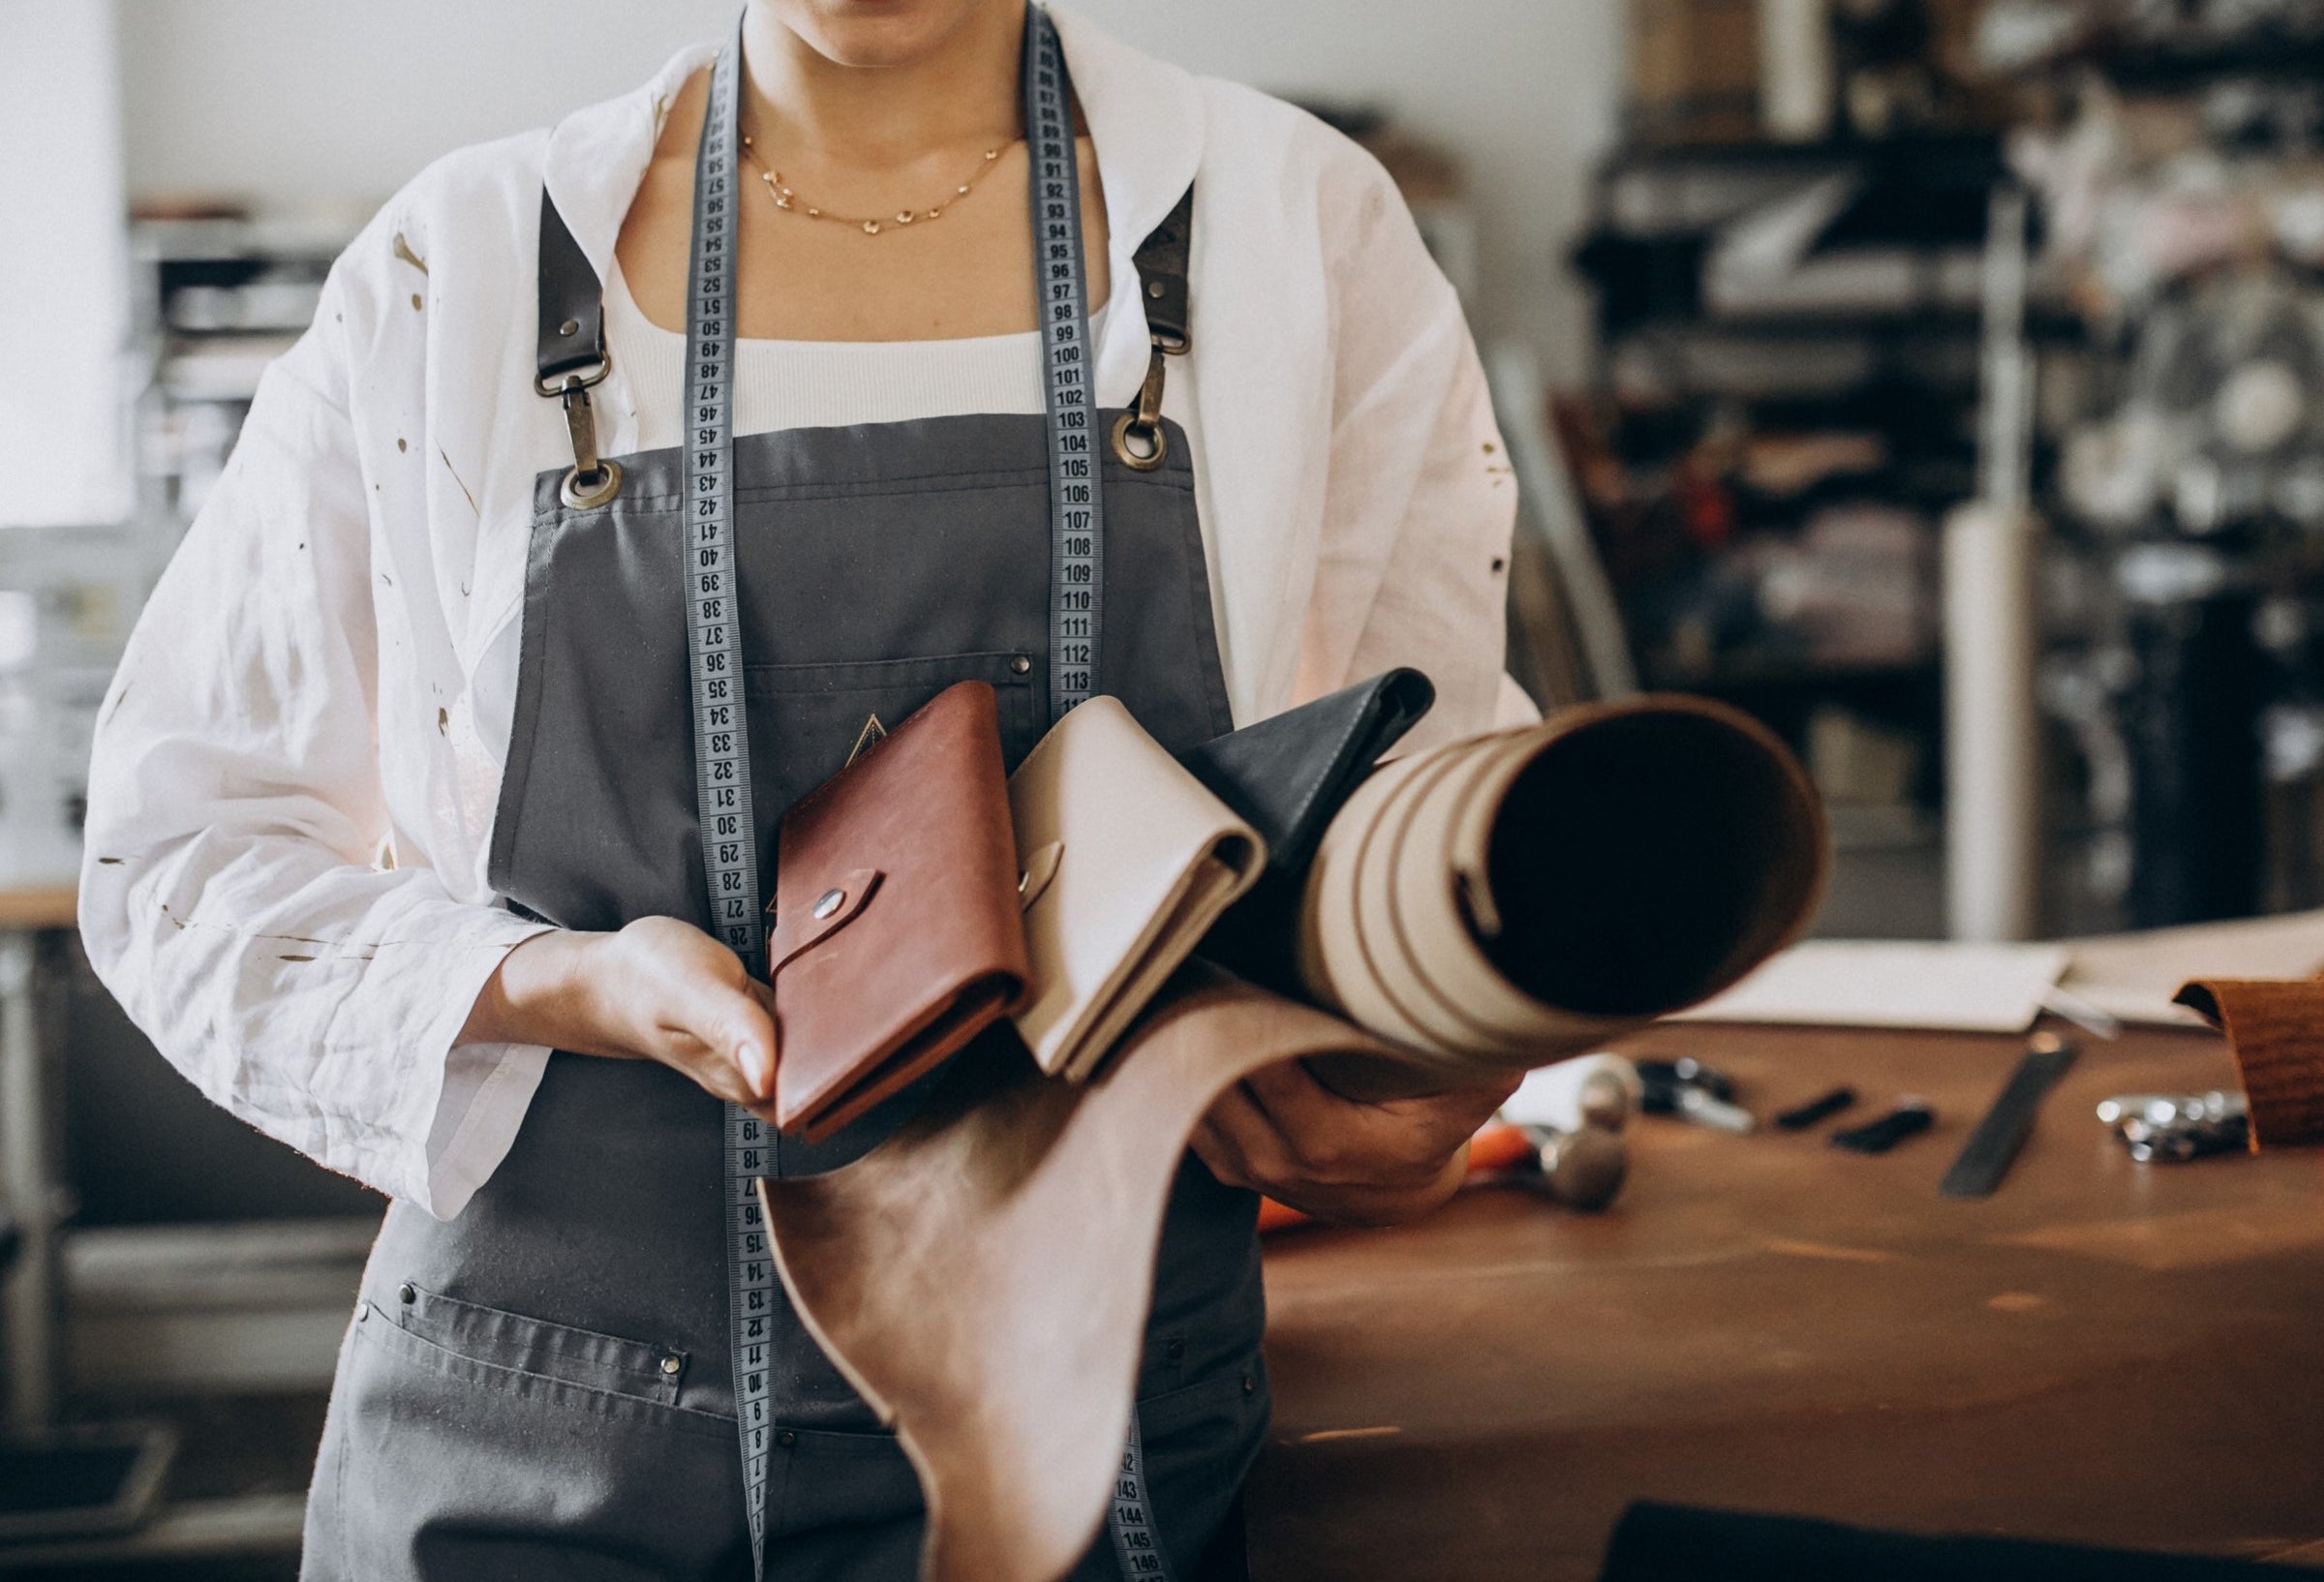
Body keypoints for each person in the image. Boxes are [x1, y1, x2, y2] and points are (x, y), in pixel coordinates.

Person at [79, 0, 1528, 1574]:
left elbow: (1426, 813)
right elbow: (183, 852)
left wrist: (1418, 1085)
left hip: (1098, 1448)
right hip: (538, 1451)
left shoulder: (1292, 224)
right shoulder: (466, 263)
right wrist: (559, 979)